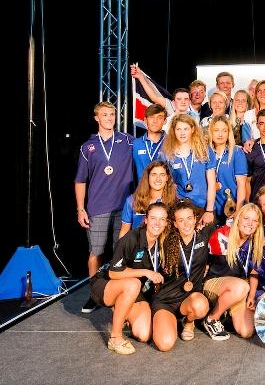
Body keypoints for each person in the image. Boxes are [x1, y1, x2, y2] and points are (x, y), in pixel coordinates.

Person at [75, 101, 134, 314]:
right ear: (96, 118)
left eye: (112, 114)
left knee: (122, 252)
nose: (109, 118)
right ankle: (95, 295)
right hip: (97, 207)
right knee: (96, 253)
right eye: (105, 115)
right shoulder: (87, 147)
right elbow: (80, 180)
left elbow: (150, 148)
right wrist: (81, 209)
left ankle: (122, 293)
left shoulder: (128, 141)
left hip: (124, 206)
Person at [89, 202, 168, 354]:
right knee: (133, 284)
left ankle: (122, 309)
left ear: (166, 222)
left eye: (162, 219)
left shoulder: (162, 242)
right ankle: (115, 338)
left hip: (135, 289)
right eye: (153, 218)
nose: (157, 223)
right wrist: (146, 272)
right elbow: (113, 273)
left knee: (144, 334)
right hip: (105, 283)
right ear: (145, 219)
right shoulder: (131, 238)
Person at [150, 200, 213, 351]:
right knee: (165, 344)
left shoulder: (204, 238)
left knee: (201, 305)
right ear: (175, 223)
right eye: (181, 220)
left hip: (190, 299)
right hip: (166, 301)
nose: (186, 224)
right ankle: (167, 320)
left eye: (189, 218)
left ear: (195, 219)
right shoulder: (165, 241)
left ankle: (189, 322)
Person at [202, 204, 265, 341]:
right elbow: (204, 261)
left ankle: (227, 312)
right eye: (246, 218)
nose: (250, 223)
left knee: (246, 331)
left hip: (239, 290)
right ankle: (212, 319)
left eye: (254, 220)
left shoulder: (257, 242)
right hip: (215, 283)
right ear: (238, 218)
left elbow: (254, 272)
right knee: (241, 286)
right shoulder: (222, 234)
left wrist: (251, 297)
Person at [160, 114, 215, 227]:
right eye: (178, 129)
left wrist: (209, 210)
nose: (182, 132)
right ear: (173, 131)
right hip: (178, 207)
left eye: (186, 129)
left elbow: (212, 183)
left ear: (193, 129)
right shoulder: (167, 152)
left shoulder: (204, 150)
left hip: (201, 206)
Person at [130, 64, 198, 132]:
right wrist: (141, 77)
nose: (183, 102)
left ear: (189, 101)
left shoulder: (195, 117)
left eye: (186, 99)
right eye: (179, 99)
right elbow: (154, 97)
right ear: (173, 102)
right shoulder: (168, 116)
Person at [119, 160, 176, 238]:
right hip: (139, 247)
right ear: (147, 177)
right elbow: (124, 230)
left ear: (167, 178)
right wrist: (121, 249)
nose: (158, 179)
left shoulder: (174, 201)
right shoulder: (132, 201)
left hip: (165, 246)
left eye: (162, 175)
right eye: (154, 174)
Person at [208, 115, 248, 225]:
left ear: (228, 133)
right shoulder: (206, 153)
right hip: (212, 207)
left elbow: (241, 184)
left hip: (232, 206)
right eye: (216, 130)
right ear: (211, 132)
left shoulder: (236, 152)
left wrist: (239, 210)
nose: (220, 134)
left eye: (224, 131)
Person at [132, 103, 167, 180]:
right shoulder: (136, 144)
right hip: (142, 190)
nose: (155, 121)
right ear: (145, 120)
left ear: (165, 121)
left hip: (165, 190)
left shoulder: (172, 143)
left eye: (159, 117)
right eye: (151, 117)